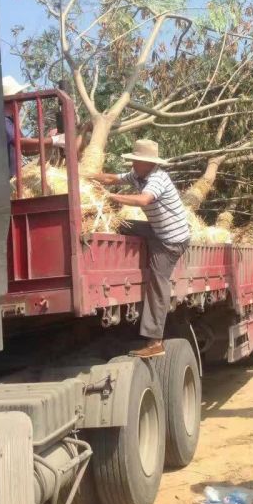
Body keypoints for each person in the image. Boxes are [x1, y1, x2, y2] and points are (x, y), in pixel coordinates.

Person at [90, 139, 190, 359]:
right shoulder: (138, 174)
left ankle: (155, 342)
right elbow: (112, 178)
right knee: (120, 224)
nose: (133, 163)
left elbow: (144, 200)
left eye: (137, 160)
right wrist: (87, 177)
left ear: (149, 162)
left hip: (170, 241)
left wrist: (110, 197)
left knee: (157, 283)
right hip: (156, 230)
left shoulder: (157, 178)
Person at [3, 76, 65, 178]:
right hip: (4, 181)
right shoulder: (3, 120)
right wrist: (54, 140)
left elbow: (26, 151)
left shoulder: (11, 122)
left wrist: (50, 141)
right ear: (12, 99)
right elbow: (21, 144)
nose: (22, 102)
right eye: (20, 98)